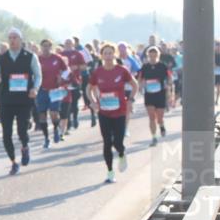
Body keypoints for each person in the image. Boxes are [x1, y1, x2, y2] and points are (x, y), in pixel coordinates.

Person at [0, 28, 42, 175]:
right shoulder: (0, 58)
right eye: (10, 38)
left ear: (20, 40)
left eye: (15, 37)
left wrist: (35, 88)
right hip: (6, 100)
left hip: (24, 100)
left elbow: (38, 76)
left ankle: (25, 146)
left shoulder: (30, 57)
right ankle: (13, 161)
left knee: (22, 130)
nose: (12, 40)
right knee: (6, 134)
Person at [86, 42, 135, 183]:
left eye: (110, 53)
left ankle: (121, 152)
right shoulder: (98, 72)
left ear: (114, 54)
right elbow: (89, 88)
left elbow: (134, 85)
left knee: (117, 142)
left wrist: (130, 99)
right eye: (105, 53)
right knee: (107, 142)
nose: (108, 56)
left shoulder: (122, 70)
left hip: (119, 112)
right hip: (104, 112)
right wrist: (93, 101)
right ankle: (110, 171)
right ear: (101, 55)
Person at [35, 39, 70, 148]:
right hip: (42, 90)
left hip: (55, 90)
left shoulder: (57, 58)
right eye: (44, 46)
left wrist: (62, 78)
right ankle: (46, 138)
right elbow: (32, 72)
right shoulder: (37, 59)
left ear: (51, 47)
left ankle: (55, 128)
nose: (46, 48)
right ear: (41, 47)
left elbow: (66, 70)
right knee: (42, 115)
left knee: (54, 113)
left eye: (48, 46)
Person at [137, 46, 174, 146]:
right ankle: (154, 137)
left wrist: (168, 86)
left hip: (160, 93)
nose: (153, 57)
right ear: (148, 55)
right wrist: (140, 86)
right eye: (151, 55)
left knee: (160, 117)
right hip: (149, 94)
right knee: (151, 117)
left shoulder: (163, 66)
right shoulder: (145, 67)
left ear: (158, 55)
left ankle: (161, 126)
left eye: (155, 55)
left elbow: (170, 78)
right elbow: (140, 79)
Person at [60, 38, 88, 136]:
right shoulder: (61, 54)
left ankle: (75, 117)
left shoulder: (78, 54)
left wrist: (76, 67)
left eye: (69, 43)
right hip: (64, 82)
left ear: (73, 44)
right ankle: (68, 124)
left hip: (75, 80)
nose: (68, 44)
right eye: (66, 43)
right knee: (65, 103)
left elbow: (85, 66)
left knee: (74, 102)